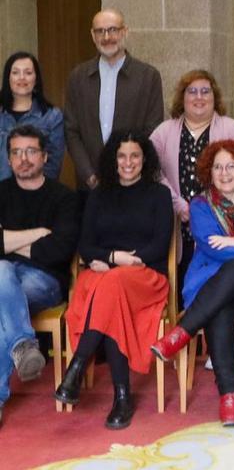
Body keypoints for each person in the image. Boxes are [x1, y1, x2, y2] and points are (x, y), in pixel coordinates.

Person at [150, 140, 234, 427]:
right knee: (223, 303)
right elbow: (211, 247)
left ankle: (182, 333)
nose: (224, 173)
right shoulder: (199, 205)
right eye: (217, 167)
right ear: (209, 173)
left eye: (230, 166)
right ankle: (229, 395)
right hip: (213, 283)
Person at [54, 131, 173, 430]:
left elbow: (160, 246)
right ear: (113, 160)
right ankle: (123, 396)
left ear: (145, 159)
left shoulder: (159, 194)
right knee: (110, 292)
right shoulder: (99, 194)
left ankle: (77, 367)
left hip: (145, 278)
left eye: (135, 155)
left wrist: (120, 262)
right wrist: (114, 258)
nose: (128, 162)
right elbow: (86, 246)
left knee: (112, 285)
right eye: (122, 156)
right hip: (103, 277)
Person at [0, 125, 78, 427]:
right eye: (16, 152)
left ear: (45, 156)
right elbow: (47, 242)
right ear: (8, 159)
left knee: (2, 271)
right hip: (5, 278)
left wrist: (8, 240)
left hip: (44, 280)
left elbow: (58, 250)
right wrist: (38, 234)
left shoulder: (64, 198)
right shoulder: (1, 193)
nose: (23, 158)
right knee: (3, 272)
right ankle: (24, 346)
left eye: (31, 151)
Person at [151, 70, 234, 298]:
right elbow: (151, 171)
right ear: (182, 97)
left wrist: (217, 208)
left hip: (220, 226)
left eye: (205, 91)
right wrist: (177, 204)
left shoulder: (231, 128)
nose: (199, 97)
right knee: (184, 289)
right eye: (192, 91)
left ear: (214, 97)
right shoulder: (164, 131)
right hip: (179, 224)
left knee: (216, 287)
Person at [65, 8, 163, 192]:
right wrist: (89, 176)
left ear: (125, 32)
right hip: (90, 188)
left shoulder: (148, 77)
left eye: (113, 30)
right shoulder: (77, 77)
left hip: (135, 184)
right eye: (100, 31)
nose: (107, 37)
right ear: (93, 36)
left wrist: (129, 172)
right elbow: (71, 132)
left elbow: (153, 129)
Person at [0, 52, 64, 181]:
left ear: (36, 79)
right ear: (8, 78)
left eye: (28, 73)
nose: (22, 78)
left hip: (36, 194)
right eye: (16, 72)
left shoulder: (52, 116)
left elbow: (53, 165)